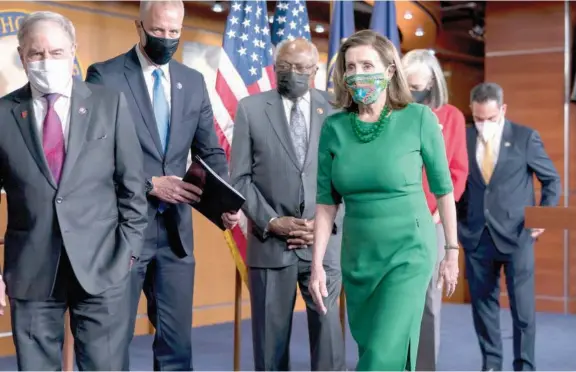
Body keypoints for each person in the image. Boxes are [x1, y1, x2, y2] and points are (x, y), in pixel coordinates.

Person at [85, 1, 240, 369]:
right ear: (139, 26)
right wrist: (149, 183)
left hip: (176, 237)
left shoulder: (192, 81)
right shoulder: (104, 77)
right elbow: (90, 155)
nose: (167, 39)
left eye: (174, 32)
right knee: (110, 347)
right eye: (158, 31)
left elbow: (210, 152)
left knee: (177, 348)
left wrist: (227, 201)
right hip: (121, 233)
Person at [0, 11, 147, 371]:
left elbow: (132, 189)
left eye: (56, 52)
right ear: (21, 56)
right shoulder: (3, 114)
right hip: (31, 270)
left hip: (103, 267)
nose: (46, 61)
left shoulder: (108, 104)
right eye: (36, 53)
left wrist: (126, 255)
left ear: (74, 51)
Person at [308, 29, 460, 371]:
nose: (358, 74)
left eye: (367, 64)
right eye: (351, 66)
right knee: (377, 347)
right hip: (359, 255)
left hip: (409, 251)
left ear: (390, 70)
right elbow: (325, 204)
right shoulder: (334, 128)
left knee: (381, 356)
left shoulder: (419, 119)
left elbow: (443, 190)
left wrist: (451, 250)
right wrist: (317, 264)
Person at [230, 38, 345, 371]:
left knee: (328, 341)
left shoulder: (336, 110)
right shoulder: (250, 108)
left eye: (301, 68)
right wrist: (271, 221)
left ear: (315, 70)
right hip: (270, 245)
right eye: (285, 66)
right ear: (274, 65)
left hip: (322, 246)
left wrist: (323, 227)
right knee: (270, 344)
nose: (292, 73)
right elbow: (239, 178)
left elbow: (346, 178)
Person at [458, 83, 561, 371]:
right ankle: (491, 364)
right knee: (483, 308)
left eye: (490, 118)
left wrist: (544, 215)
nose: (484, 125)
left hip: (517, 236)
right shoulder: (463, 138)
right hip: (477, 235)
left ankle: (524, 366)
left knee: (523, 311)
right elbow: (454, 184)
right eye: (478, 119)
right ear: (472, 111)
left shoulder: (525, 137)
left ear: (502, 110)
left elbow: (551, 180)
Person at [401, 49, 469, 371]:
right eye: (408, 85)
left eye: (419, 86)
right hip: (396, 218)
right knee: (395, 300)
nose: (414, 92)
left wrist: (440, 214)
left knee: (429, 301)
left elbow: (457, 172)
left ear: (433, 82)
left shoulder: (451, 116)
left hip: (434, 219)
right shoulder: (394, 113)